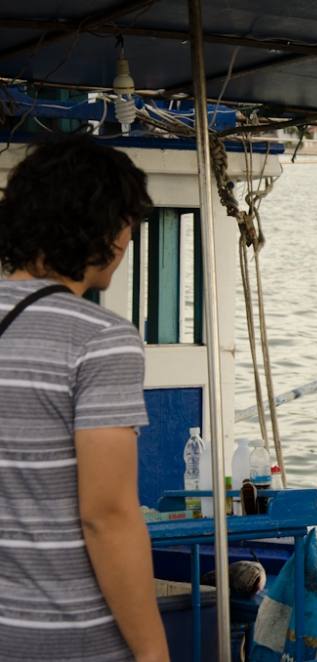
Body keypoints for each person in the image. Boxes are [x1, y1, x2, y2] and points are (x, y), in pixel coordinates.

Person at [0, 135, 168, 661]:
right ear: (100, 228)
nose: (129, 240)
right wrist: (152, 652)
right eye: (127, 224)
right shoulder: (100, 340)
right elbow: (108, 515)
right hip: (66, 638)